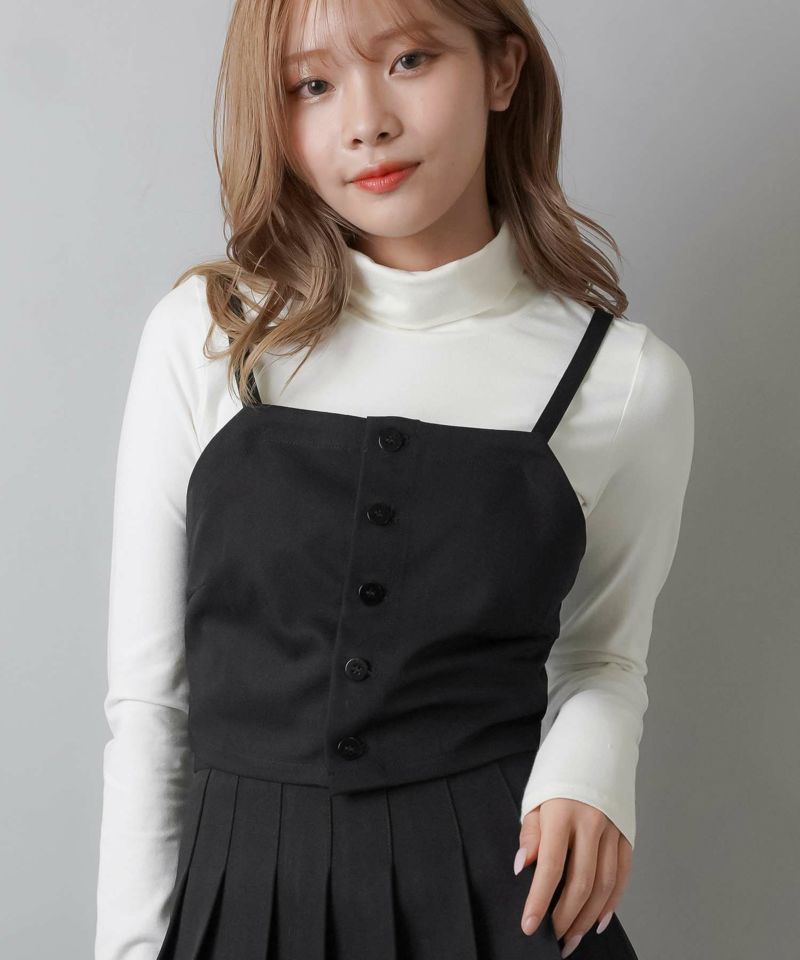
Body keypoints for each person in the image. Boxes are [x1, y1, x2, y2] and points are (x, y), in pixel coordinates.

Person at [94, 1, 695, 958]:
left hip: (498, 909)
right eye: (312, 84)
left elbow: (604, 659)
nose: (365, 121)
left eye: (410, 60)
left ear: (502, 70)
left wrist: (590, 768)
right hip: (241, 910)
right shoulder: (209, 336)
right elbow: (150, 711)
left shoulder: (624, 381)